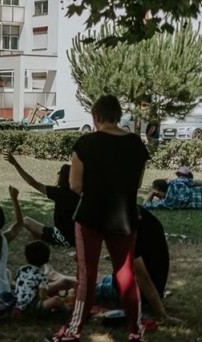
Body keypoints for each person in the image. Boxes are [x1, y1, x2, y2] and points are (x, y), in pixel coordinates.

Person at [48, 94, 149, 342]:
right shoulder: (137, 144)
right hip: (124, 217)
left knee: (87, 276)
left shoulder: (85, 144)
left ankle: (73, 332)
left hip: (91, 216)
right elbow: (136, 183)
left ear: (95, 117)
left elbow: (74, 185)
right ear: (117, 115)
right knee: (125, 275)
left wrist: (95, 190)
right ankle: (135, 331)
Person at [94, 208, 179, 326]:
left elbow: (143, 278)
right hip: (150, 284)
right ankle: (65, 279)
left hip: (138, 294)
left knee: (87, 289)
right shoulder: (144, 214)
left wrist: (161, 314)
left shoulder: (126, 228)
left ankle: (65, 281)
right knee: (101, 279)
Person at [3, 152, 79, 247]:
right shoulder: (78, 193)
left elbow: (32, 182)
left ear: (62, 177)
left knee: (26, 220)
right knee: (33, 234)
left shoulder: (59, 193)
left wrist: (15, 164)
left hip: (62, 238)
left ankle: (5, 237)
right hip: (75, 238)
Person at [14, 241, 67, 316]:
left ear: (26, 258)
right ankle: (67, 313)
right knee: (56, 300)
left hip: (17, 303)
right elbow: (42, 296)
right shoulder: (41, 276)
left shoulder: (22, 269)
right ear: (46, 260)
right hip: (30, 307)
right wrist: (49, 300)